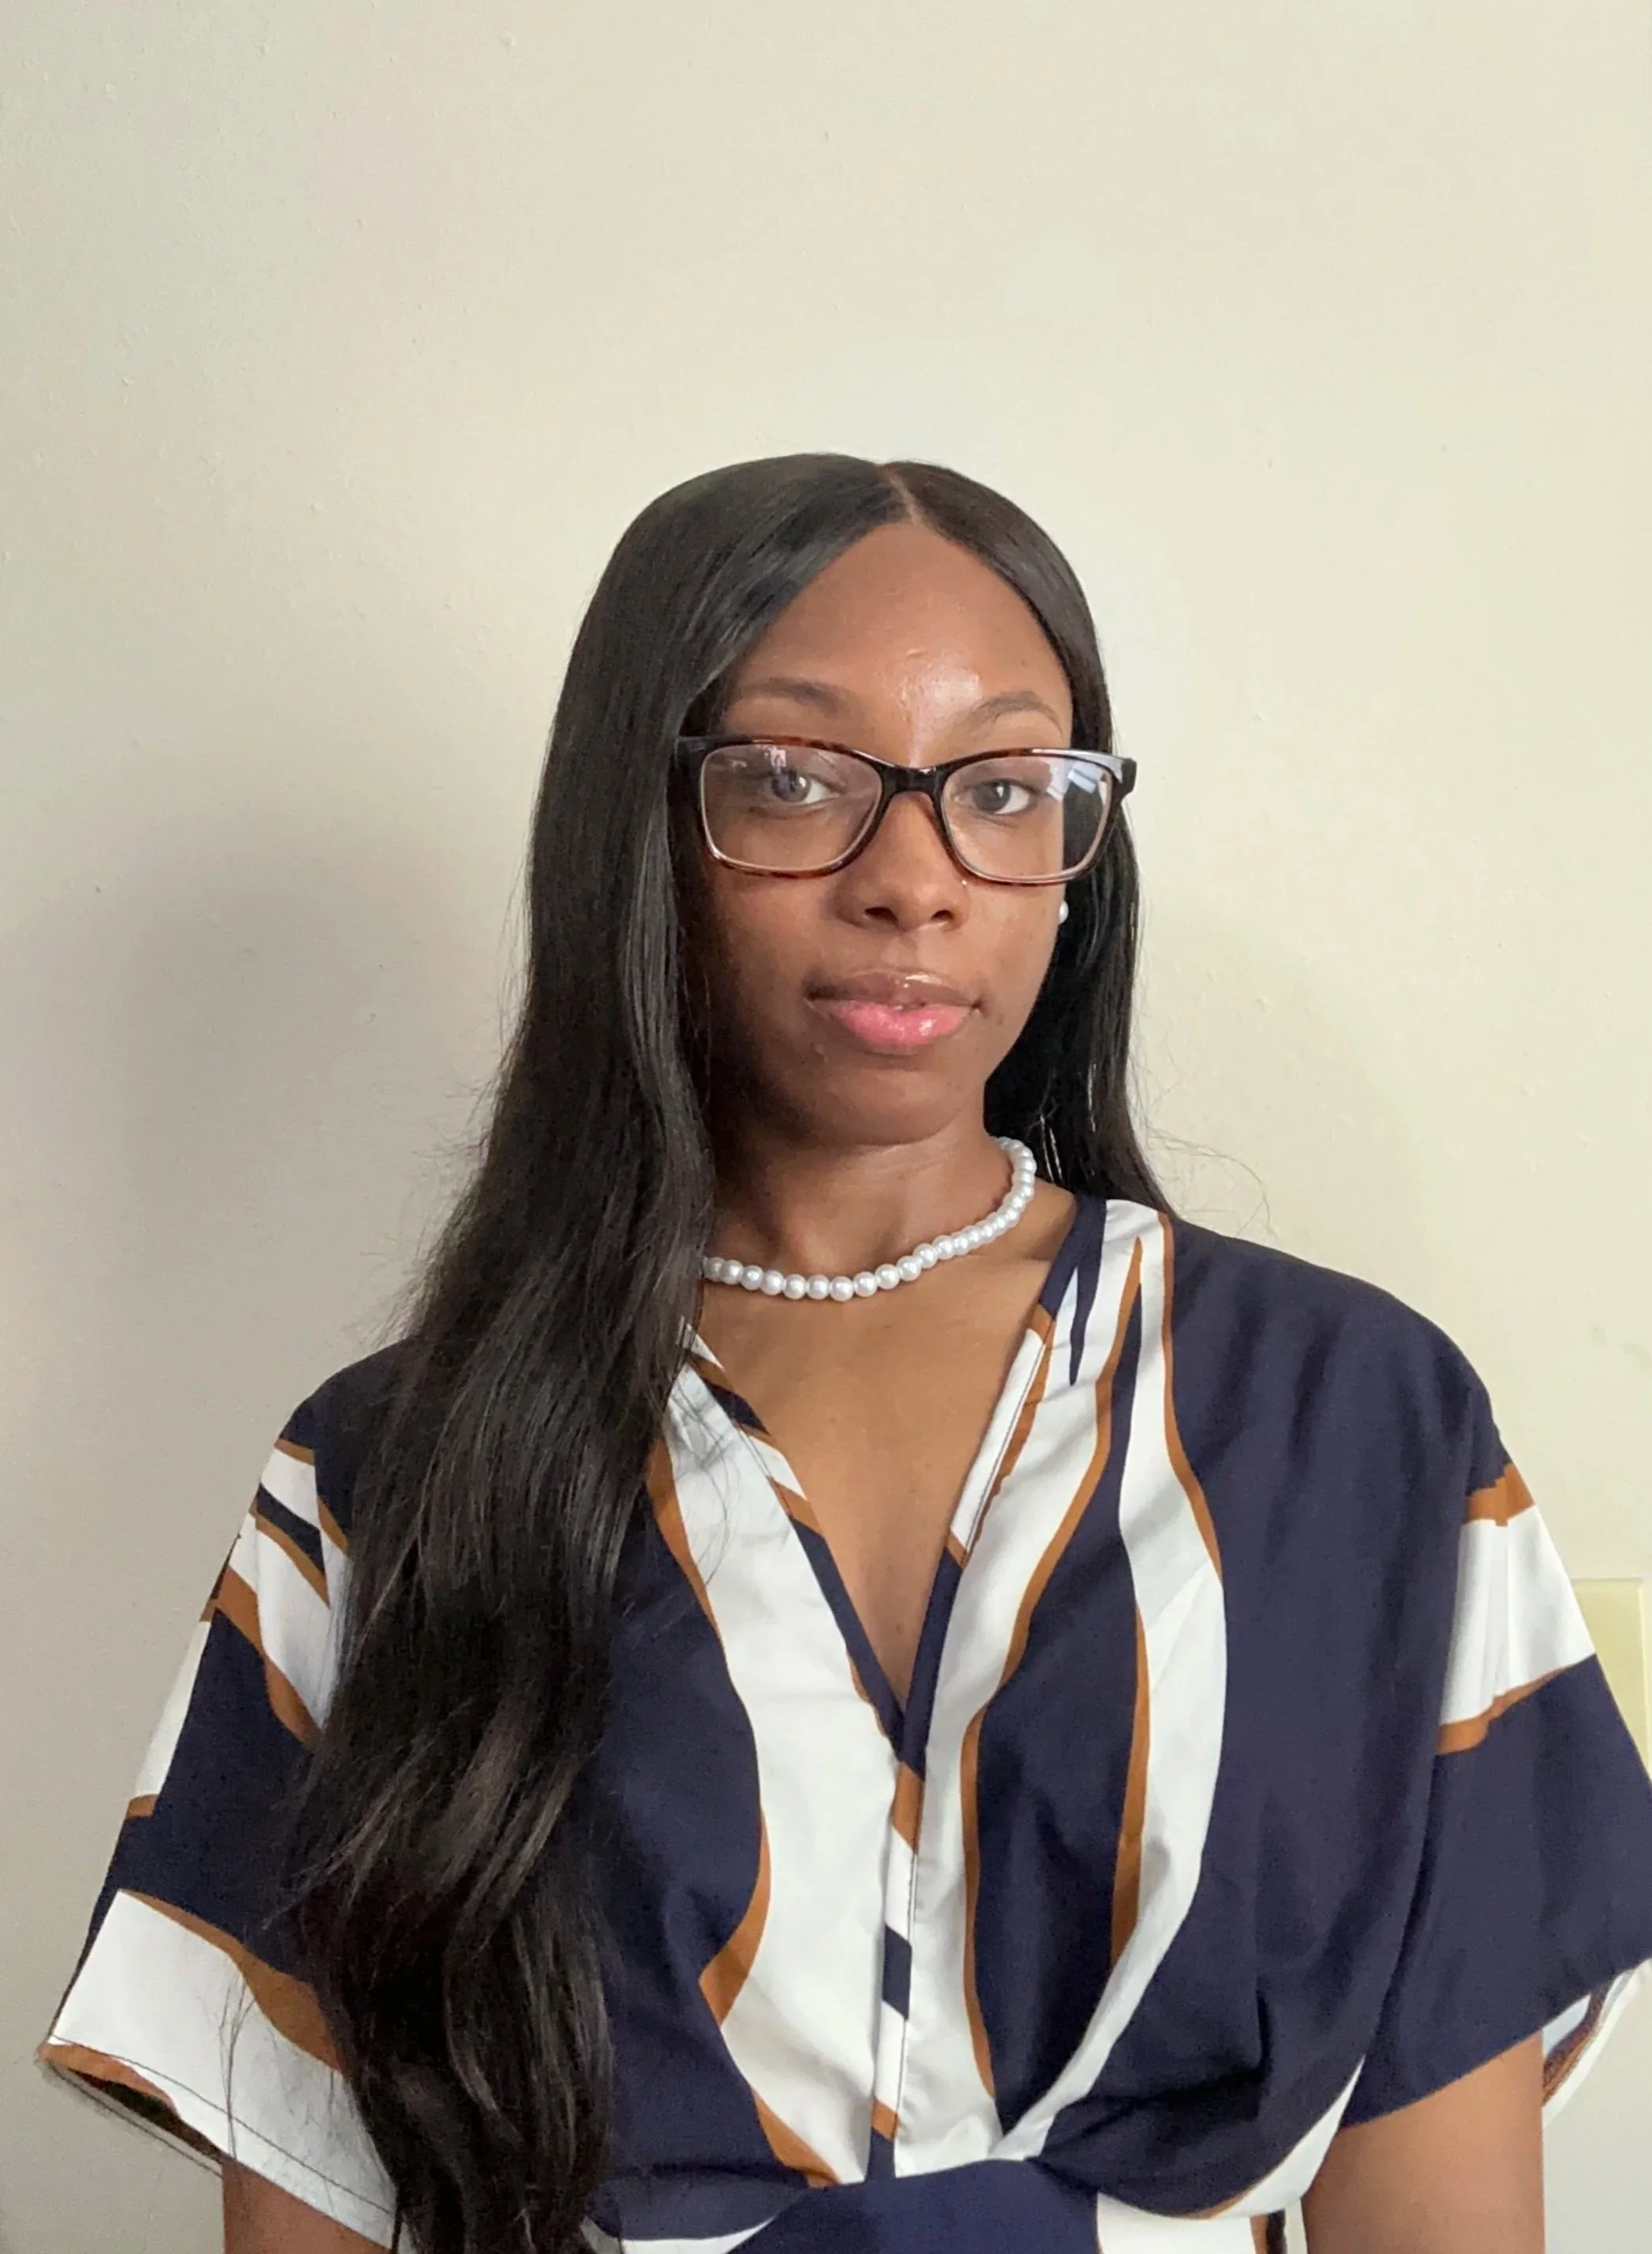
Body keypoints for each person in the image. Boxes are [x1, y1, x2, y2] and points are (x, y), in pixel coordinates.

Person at [39, 455, 1652, 2254]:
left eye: (1006, 788)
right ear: (636, 827)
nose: (914, 880)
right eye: (794, 778)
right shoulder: (396, 1475)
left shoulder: (1354, 1426)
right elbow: (319, 2205)